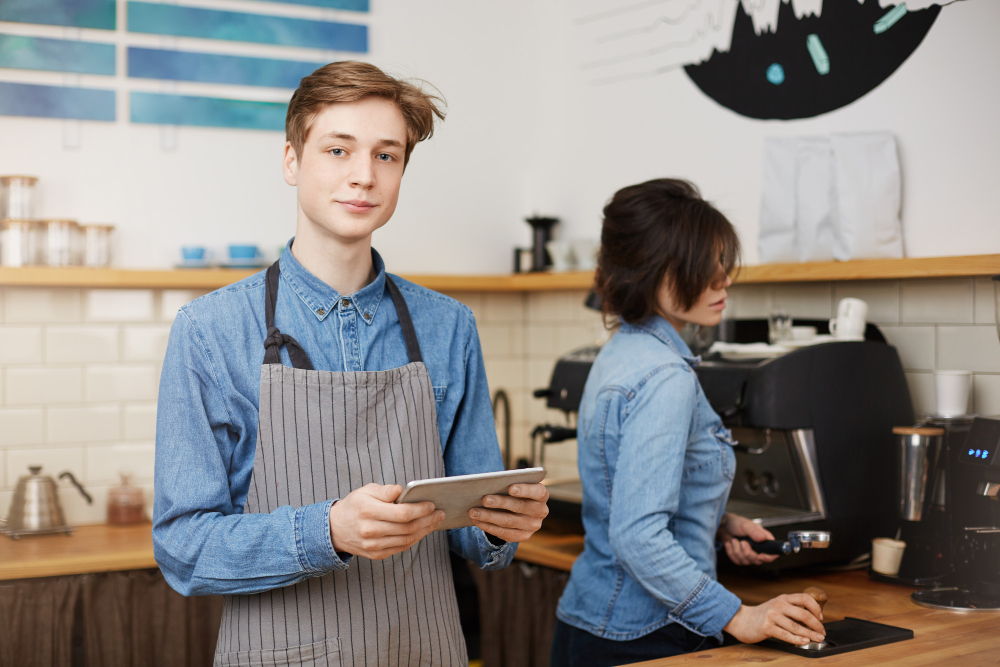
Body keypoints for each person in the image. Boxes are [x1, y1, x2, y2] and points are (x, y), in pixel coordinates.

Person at [153, 61, 549, 667]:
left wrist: (502, 522)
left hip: (424, 652)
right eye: (338, 150)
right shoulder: (210, 331)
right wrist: (328, 531)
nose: (364, 175)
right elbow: (183, 548)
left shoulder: (449, 327)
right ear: (292, 161)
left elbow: (473, 528)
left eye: (386, 156)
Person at [550, 179, 826, 666]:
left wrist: (714, 524)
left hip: (592, 621)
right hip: (649, 635)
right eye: (703, 265)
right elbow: (637, 536)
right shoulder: (665, 377)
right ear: (650, 272)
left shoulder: (620, 352)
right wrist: (738, 616)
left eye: (721, 262)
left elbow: (628, 498)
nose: (722, 280)